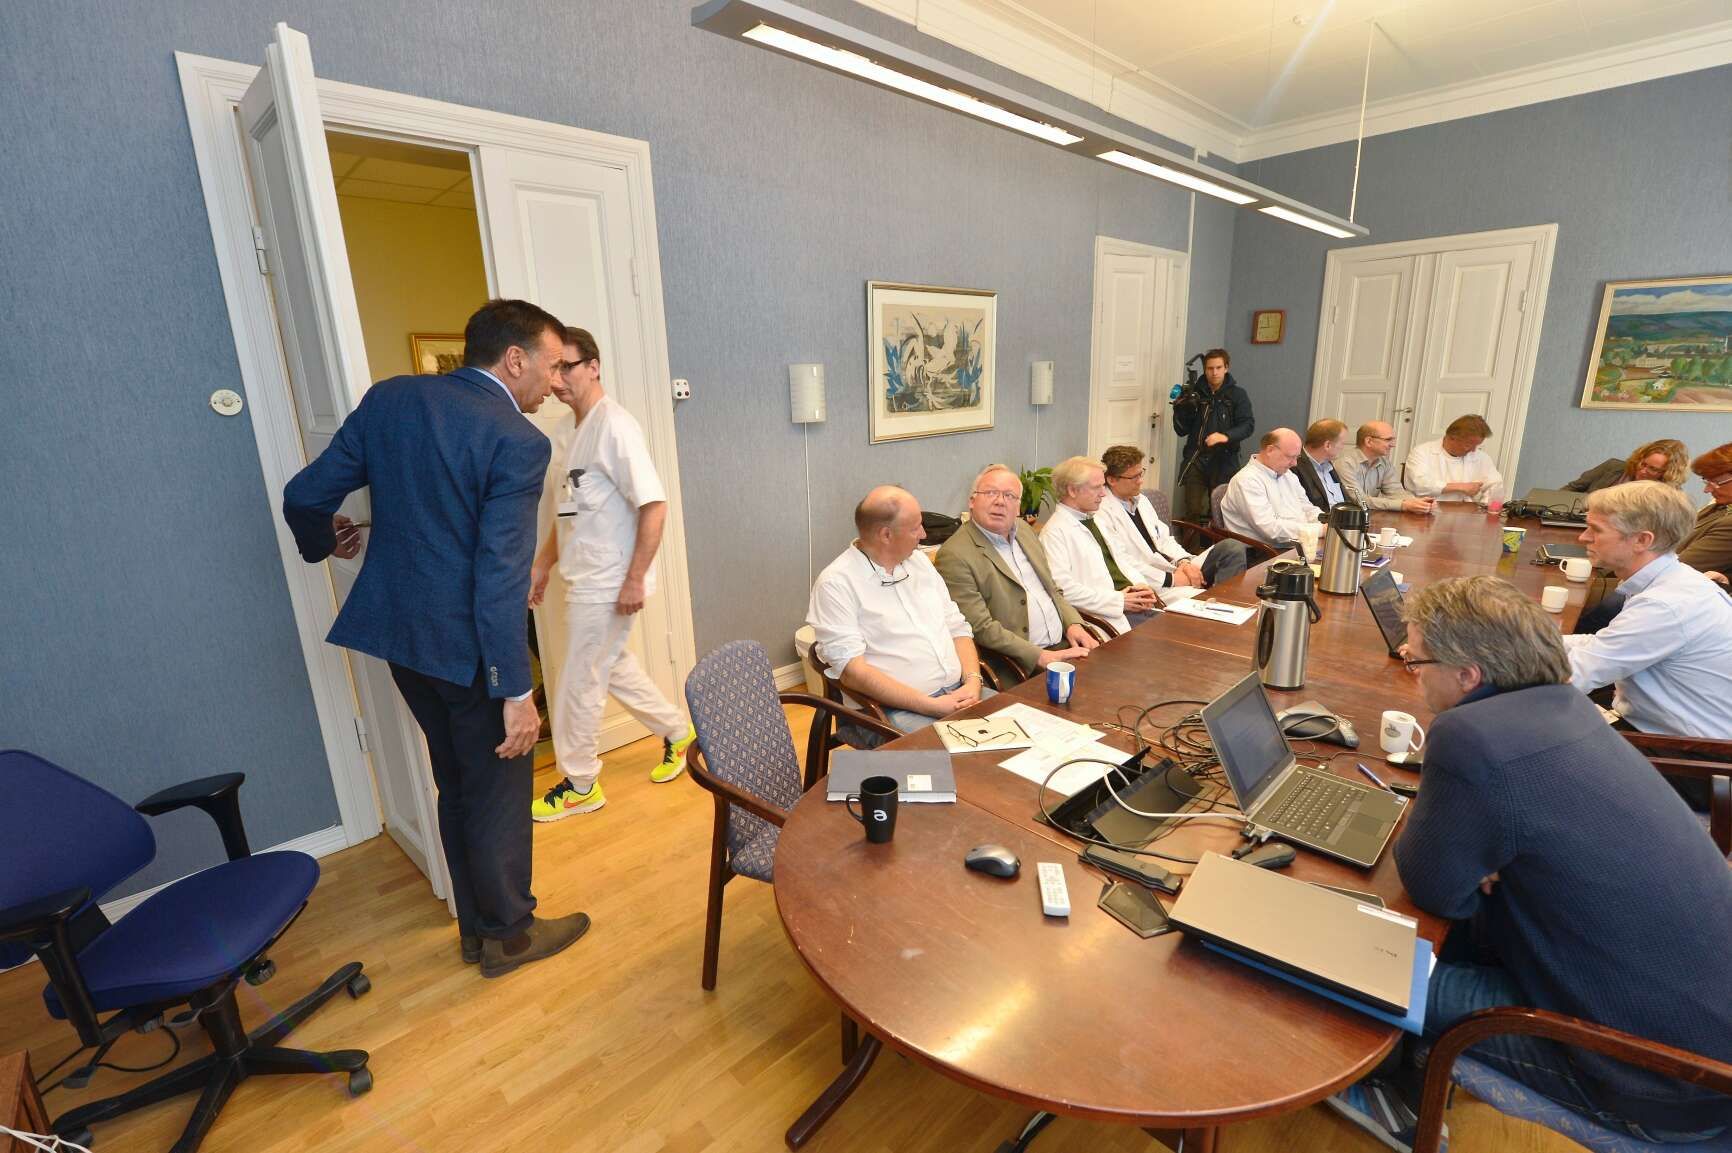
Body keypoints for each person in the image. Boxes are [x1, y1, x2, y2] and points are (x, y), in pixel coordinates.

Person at [1327, 575, 1732, 1150]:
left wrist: (1477, 856)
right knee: (1447, 935)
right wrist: (1484, 857)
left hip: (1649, 1079)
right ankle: (1404, 1073)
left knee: (1351, 958)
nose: (1413, 672)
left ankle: (1388, 1098)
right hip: (1702, 1046)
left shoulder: (1469, 734)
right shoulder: (1570, 707)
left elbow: (1434, 890)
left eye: (1416, 661)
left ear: (1468, 676)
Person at [282, 298, 589, 978]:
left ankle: (477, 928)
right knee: (498, 788)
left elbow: (304, 495)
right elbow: (499, 576)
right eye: (552, 366)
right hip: (469, 650)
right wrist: (516, 691)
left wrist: (323, 541)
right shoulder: (518, 440)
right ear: (515, 359)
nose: (556, 382)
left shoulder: (392, 399)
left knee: (456, 779)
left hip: (403, 641)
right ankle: (511, 935)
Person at [528, 328, 694, 822]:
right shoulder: (566, 432)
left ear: (594, 366)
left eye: (567, 367)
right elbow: (568, 512)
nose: (557, 380)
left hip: (609, 581)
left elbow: (654, 505)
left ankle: (581, 783)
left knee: (578, 681)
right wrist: (542, 564)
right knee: (612, 665)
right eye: (552, 368)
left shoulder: (615, 427)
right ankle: (677, 731)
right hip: (582, 576)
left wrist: (635, 579)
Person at [807, 486, 989, 739]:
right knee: (957, 759)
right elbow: (853, 673)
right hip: (887, 710)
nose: (924, 534)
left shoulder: (920, 563)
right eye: (915, 528)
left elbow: (957, 629)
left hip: (960, 691)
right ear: (886, 535)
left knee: (1029, 734)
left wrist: (973, 680)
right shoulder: (836, 583)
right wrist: (932, 706)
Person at [1560, 481, 1732, 743]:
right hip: (1662, 729)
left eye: (1596, 529)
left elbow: (1572, 676)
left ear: (1642, 540)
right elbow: (1603, 644)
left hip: (1683, 752)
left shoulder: (1664, 605)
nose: (1583, 537)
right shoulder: (1673, 580)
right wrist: (1527, 641)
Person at [935, 464, 1097, 677]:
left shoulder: (1025, 531)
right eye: (990, 493)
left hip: (1066, 645)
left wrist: (1073, 624)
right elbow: (980, 627)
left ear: (1019, 507)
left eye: (1009, 496)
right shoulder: (955, 554)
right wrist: (1039, 656)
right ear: (972, 501)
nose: (1000, 501)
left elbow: (1052, 589)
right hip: (1020, 665)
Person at [1039, 456, 1164, 636]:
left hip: (1131, 606)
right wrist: (1119, 601)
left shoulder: (1095, 519)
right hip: (1105, 616)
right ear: (1072, 490)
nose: (1104, 494)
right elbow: (1063, 590)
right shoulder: (1054, 533)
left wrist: (1141, 585)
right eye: (1097, 487)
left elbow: (1122, 560)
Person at [1097, 445, 1247, 587]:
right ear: (1112, 480)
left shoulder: (1141, 500)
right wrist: (1172, 579)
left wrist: (1184, 562)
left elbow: (1165, 539)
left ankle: (1222, 598)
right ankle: (1217, 600)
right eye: (1134, 477)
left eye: (1141, 473)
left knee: (1232, 547)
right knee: (1197, 597)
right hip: (1154, 581)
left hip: (1173, 565)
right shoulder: (1102, 513)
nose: (1140, 481)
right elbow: (1124, 563)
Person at [1171, 348, 1254, 523]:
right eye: (1210, 368)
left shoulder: (1237, 395)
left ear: (1226, 368)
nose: (1214, 372)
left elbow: (1248, 425)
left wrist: (1225, 436)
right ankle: (1191, 541)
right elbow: (1181, 430)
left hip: (1224, 460)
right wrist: (1180, 409)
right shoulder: (1195, 393)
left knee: (1220, 511)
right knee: (1192, 509)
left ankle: (1213, 541)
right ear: (1205, 369)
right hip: (1196, 457)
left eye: (1218, 368)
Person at [1218, 429, 1321, 549]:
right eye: (1290, 457)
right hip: (1263, 552)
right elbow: (1271, 529)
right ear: (1270, 450)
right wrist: (1319, 530)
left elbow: (1307, 509)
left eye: (1297, 457)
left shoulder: (1289, 475)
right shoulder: (1247, 480)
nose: (1295, 463)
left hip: (1298, 543)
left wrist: (1328, 522)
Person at [1335, 421, 1434, 514]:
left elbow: (1395, 491)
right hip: (1346, 517)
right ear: (1369, 441)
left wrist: (1418, 502)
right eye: (1388, 440)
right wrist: (1403, 505)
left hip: (1368, 515)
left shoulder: (1384, 463)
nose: (1393, 445)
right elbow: (1359, 500)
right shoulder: (1345, 463)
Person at [1403, 414, 1505, 503]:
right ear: (1451, 438)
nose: (1474, 450)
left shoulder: (1481, 457)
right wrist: (1461, 487)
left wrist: (1485, 508)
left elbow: (1495, 485)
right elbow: (1418, 485)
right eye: (1468, 444)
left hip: (1466, 512)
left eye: (1477, 445)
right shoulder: (1422, 452)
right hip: (1426, 509)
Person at [1679, 441, 1732, 585]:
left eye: (1716, 482)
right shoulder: (1718, 507)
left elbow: (1680, 567)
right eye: (1706, 481)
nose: (1707, 490)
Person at [1560, 438, 1689, 493]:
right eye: (1643, 463)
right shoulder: (1613, 467)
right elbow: (1571, 489)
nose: (1642, 471)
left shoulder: (1672, 495)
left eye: (1653, 469)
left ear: (1668, 473)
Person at [1291, 418, 1361, 514]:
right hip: (1319, 520)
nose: (1343, 448)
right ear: (1328, 445)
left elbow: (1344, 501)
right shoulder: (1294, 466)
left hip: (1342, 519)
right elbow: (1304, 508)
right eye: (1342, 443)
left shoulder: (1328, 464)